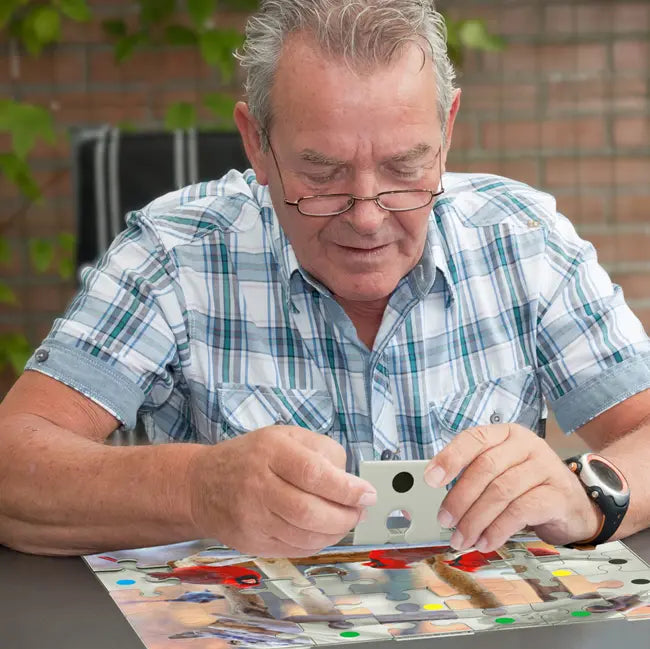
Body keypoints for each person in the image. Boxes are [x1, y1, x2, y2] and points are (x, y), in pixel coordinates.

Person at [1, 0, 649, 558]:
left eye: (404, 168)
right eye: (322, 173)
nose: (367, 217)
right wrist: (197, 488)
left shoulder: (521, 240)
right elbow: (14, 465)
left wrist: (587, 493)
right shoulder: (174, 252)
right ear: (257, 143)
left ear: (446, 133)